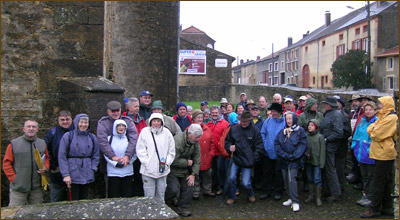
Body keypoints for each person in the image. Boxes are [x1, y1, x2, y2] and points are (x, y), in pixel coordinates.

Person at [360, 96, 397, 218]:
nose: (379, 105)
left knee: (378, 182)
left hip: (385, 153)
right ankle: (387, 207)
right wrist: (374, 129)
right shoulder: (383, 116)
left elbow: (377, 134)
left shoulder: (391, 118)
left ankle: (374, 209)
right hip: (379, 152)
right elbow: (372, 128)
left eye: (381, 103)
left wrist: (374, 129)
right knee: (384, 181)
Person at [3, 119, 50, 206]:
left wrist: (45, 168)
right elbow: (6, 163)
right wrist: (14, 179)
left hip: (36, 188)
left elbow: (47, 158)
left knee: (36, 212)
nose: (31, 129)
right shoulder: (14, 144)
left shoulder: (42, 143)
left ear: (37, 129)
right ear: (23, 129)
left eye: (34, 127)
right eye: (29, 126)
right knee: (14, 212)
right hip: (18, 188)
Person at [97, 100, 138, 197]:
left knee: (127, 191)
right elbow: (103, 142)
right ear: (108, 112)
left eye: (117, 110)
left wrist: (128, 156)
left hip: (127, 163)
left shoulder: (128, 121)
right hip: (110, 164)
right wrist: (112, 156)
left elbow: (133, 139)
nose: (115, 113)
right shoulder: (103, 123)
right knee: (112, 190)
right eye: (113, 111)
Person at [225, 111, 264, 205]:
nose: (243, 122)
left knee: (245, 183)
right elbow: (227, 141)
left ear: (249, 121)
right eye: (242, 121)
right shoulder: (234, 129)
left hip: (248, 160)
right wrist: (229, 147)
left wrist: (253, 158)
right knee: (231, 178)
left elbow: (259, 146)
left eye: (245, 121)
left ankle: (250, 194)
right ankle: (232, 196)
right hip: (236, 157)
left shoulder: (255, 131)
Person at [58, 114, 100, 200]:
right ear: (76, 123)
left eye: (86, 122)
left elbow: (96, 155)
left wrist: (93, 168)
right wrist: (65, 174)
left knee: (84, 198)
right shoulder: (68, 136)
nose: (83, 125)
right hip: (72, 171)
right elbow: (62, 156)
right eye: (81, 122)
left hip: (87, 171)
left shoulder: (92, 137)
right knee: (73, 199)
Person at [136, 113, 176, 202]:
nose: (156, 123)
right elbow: (140, 150)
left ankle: (161, 213)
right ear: (150, 121)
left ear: (162, 122)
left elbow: (171, 151)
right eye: (154, 121)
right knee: (149, 195)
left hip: (163, 170)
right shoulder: (144, 132)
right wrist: (147, 163)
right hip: (147, 171)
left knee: (161, 194)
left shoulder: (167, 133)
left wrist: (167, 163)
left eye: (158, 121)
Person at [165, 124, 202, 217]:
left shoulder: (195, 142)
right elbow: (172, 160)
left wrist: (193, 174)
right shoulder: (177, 141)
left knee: (189, 186)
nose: (198, 139)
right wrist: (186, 162)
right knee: (173, 189)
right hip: (172, 170)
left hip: (185, 171)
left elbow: (197, 159)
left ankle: (182, 206)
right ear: (189, 134)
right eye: (196, 137)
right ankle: (165, 202)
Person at [274, 112, 307, 212]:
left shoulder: (300, 131)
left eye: (290, 119)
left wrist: (293, 156)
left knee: (291, 179)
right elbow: (277, 144)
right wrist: (284, 155)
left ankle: (295, 201)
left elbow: (302, 144)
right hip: (284, 160)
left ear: (294, 119)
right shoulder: (282, 131)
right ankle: (290, 197)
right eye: (287, 119)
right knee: (286, 180)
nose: (288, 121)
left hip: (294, 161)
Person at [351, 101, 378, 207]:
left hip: (370, 154)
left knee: (371, 177)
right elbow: (356, 135)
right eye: (366, 109)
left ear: (375, 111)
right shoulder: (362, 121)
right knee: (365, 176)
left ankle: (371, 197)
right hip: (360, 154)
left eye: (370, 109)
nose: (368, 111)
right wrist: (354, 146)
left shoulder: (376, 122)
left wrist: (369, 151)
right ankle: (366, 194)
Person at [45, 110, 74, 202]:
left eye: (67, 119)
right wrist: (53, 166)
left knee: (72, 200)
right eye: (62, 120)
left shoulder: (76, 132)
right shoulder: (52, 133)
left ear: (71, 119)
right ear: (58, 121)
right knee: (56, 199)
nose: (65, 122)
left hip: (74, 171)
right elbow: (46, 150)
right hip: (56, 172)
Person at [260, 103, 286, 200]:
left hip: (279, 153)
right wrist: (265, 144)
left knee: (278, 173)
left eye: (274, 111)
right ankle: (266, 190)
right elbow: (262, 133)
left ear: (279, 112)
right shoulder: (267, 121)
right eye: (272, 111)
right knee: (267, 172)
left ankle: (278, 191)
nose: (272, 113)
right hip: (268, 152)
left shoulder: (284, 123)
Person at [298, 97, 324, 193]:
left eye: (316, 104)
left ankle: (318, 193)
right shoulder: (302, 116)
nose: (315, 106)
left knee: (317, 170)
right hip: (307, 142)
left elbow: (323, 127)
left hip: (317, 142)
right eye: (314, 104)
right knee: (307, 166)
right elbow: (299, 129)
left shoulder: (320, 115)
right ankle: (307, 186)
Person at [319, 96, 343, 202]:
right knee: (326, 169)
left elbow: (339, 132)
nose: (324, 105)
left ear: (330, 105)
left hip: (330, 146)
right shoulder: (329, 113)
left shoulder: (336, 114)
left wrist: (326, 139)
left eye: (326, 103)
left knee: (330, 170)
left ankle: (336, 193)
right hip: (326, 145)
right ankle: (327, 190)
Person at [104, 120, 136, 198]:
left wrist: (128, 161)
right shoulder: (109, 139)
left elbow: (135, 153)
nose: (121, 128)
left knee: (127, 195)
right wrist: (115, 163)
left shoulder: (129, 139)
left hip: (127, 171)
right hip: (113, 172)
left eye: (123, 126)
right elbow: (106, 154)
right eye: (119, 126)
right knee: (114, 195)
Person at [190, 110, 215, 199]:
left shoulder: (207, 129)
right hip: (195, 157)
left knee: (207, 174)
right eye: (198, 117)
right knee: (195, 175)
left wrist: (211, 154)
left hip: (206, 156)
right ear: (194, 119)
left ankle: (207, 190)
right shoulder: (189, 129)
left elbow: (212, 143)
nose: (200, 119)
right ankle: (196, 191)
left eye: (201, 117)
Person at [206, 106, 229, 194]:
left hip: (220, 152)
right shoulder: (208, 125)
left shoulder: (225, 123)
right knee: (213, 170)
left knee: (220, 170)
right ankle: (213, 186)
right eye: (213, 113)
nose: (214, 114)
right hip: (211, 151)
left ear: (219, 113)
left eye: (216, 112)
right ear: (210, 114)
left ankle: (221, 187)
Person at [216, 112, 240, 195]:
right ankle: (222, 187)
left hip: (230, 154)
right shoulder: (229, 126)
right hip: (222, 152)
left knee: (230, 173)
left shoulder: (237, 127)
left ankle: (232, 190)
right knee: (220, 170)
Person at [304, 119, 325, 207]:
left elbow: (322, 151)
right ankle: (311, 195)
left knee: (317, 179)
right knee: (309, 178)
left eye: (312, 125)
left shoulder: (320, 137)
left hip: (317, 162)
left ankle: (318, 197)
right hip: (308, 161)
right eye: (309, 125)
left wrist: (321, 163)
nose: (310, 127)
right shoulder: (306, 136)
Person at [335, 96, 352, 193]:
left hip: (340, 147)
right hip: (333, 147)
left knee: (340, 168)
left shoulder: (344, 116)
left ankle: (340, 188)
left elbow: (347, 132)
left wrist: (337, 137)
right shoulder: (330, 115)